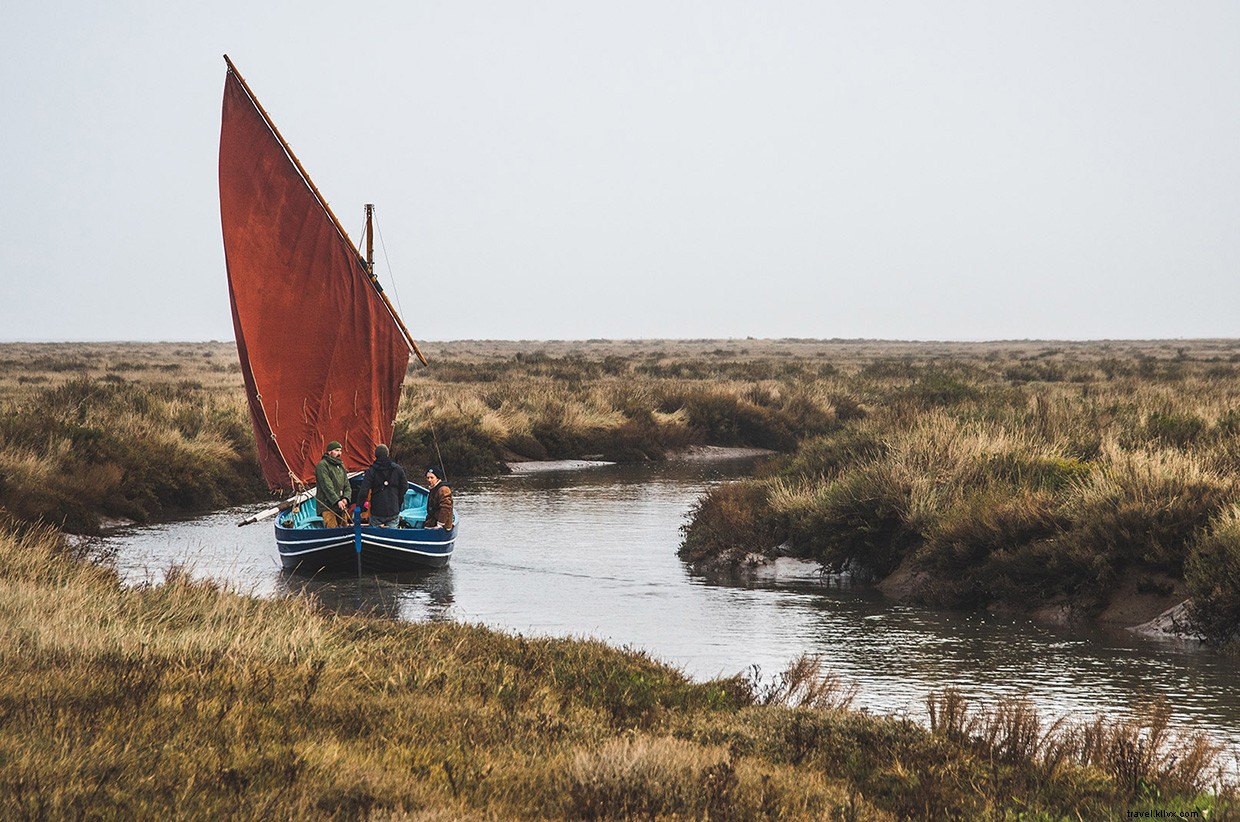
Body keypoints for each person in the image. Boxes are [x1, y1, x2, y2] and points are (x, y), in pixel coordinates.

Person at [354, 444, 407, 528]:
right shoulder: (397, 469)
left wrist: (359, 507)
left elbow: (364, 491)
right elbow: (405, 487)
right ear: (387, 454)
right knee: (392, 533)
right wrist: (398, 502)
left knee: (375, 532)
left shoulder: (371, 471)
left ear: (375, 455)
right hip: (393, 509)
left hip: (377, 511)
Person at [314, 440, 351, 528]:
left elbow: (347, 484)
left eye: (340, 451)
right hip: (327, 505)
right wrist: (337, 501)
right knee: (332, 528)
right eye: (336, 450)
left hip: (341, 505)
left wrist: (346, 498)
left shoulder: (341, 465)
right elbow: (327, 486)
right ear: (329, 452)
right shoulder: (322, 466)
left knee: (345, 528)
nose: (339, 453)